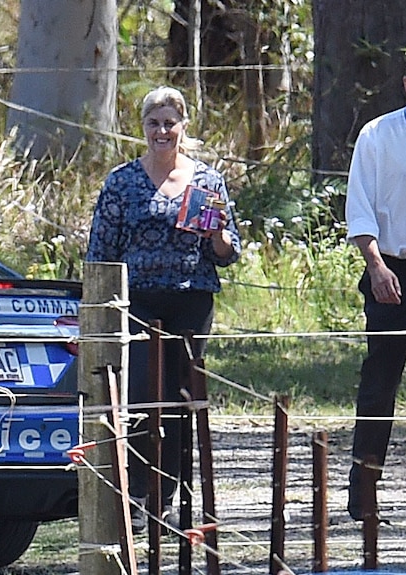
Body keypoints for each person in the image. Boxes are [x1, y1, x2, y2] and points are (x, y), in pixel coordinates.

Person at [86, 86, 241, 533]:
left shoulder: (207, 182)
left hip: (191, 301)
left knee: (179, 401)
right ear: (143, 128)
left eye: (170, 122)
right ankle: (134, 496)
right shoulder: (121, 182)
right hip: (137, 304)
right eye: (154, 123)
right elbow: (101, 251)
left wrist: (219, 236)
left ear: (183, 126)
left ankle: (169, 499)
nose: (162, 131)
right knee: (140, 399)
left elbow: (227, 254)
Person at [344, 46, 406, 520]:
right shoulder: (378, 134)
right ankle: (364, 493)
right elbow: (360, 208)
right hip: (391, 268)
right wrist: (375, 266)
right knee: (380, 382)